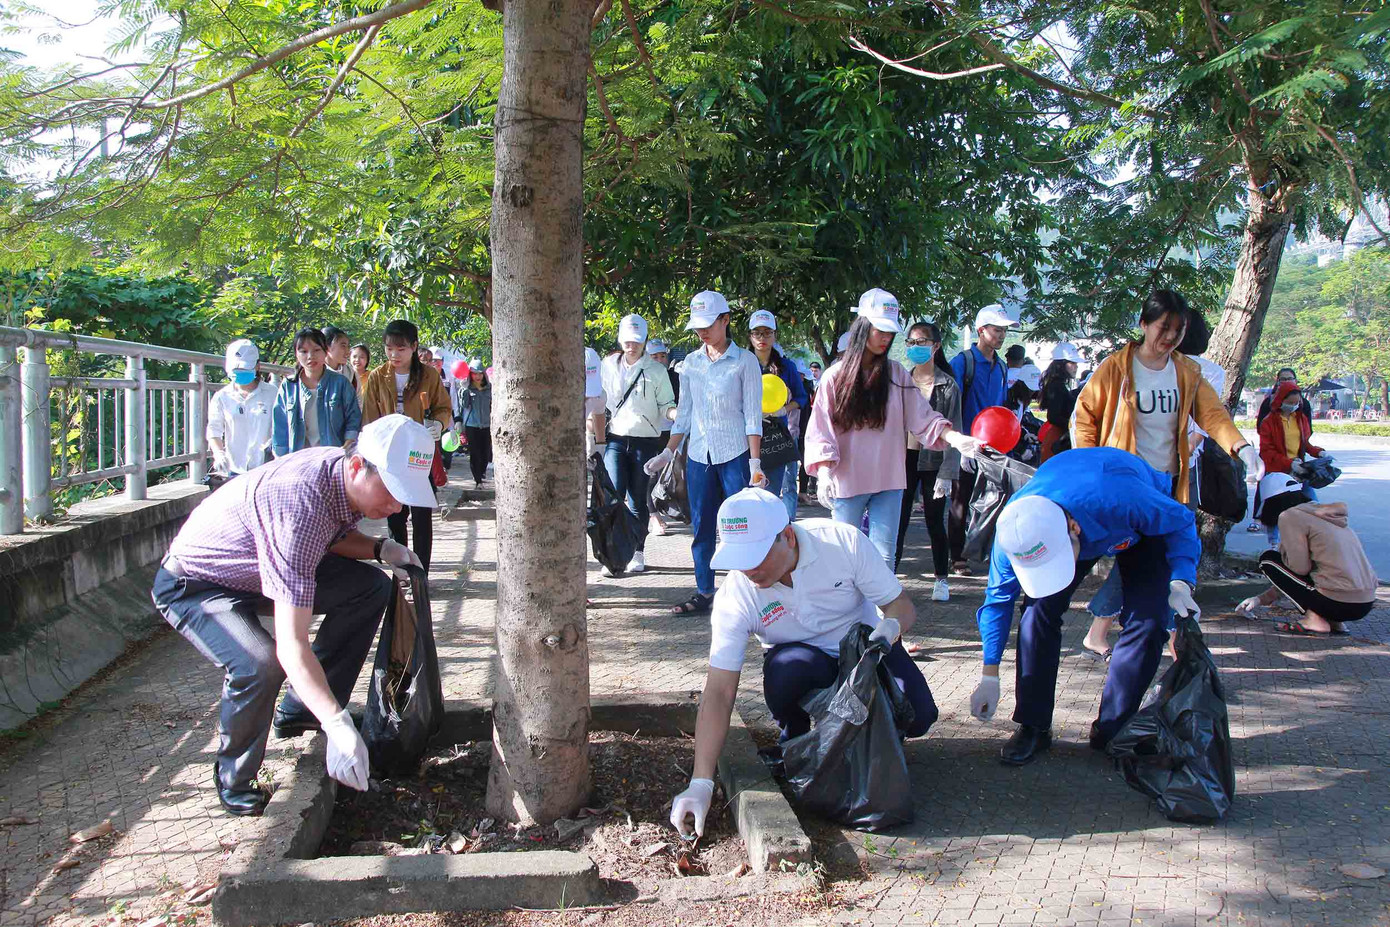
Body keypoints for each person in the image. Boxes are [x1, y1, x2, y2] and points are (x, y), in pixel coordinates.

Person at [151, 414, 434, 815]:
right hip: (200, 584)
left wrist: (380, 549)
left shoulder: (338, 477)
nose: (395, 505)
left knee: (370, 588)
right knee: (259, 662)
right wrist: (338, 725)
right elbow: (292, 644)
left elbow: (332, 537)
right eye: (390, 490)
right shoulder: (299, 503)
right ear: (357, 466)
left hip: (258, 570)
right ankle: (235, 777)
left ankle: (301, 709)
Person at [668, 488, 936, 837]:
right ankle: (794, 739)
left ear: (789, 537)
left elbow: (901, 605)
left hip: (865, 649)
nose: (749, 569)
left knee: (920, 714)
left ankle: (874, 739)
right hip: (801, 662)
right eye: (740, 557)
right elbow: (719, 690)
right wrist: (701, 782)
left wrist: (890, 627)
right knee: (786, 670)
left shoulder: (843, 543)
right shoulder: (737, 594)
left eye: (757, 555)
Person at [967, 447, 1204, 765]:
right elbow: (997, 602)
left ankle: (1114, 728)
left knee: (1149, 623)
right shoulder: (1016, 531)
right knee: (1037, 612)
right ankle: (1033, 725)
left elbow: (1180, 522)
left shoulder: (1124, 498)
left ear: (1074, 531)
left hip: (1135, 524)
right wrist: (990, 673)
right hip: (1070, 508)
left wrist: (1181, 579)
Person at [1072, 291, 1259, 658]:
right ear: (1144, 324)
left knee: (1162, 556)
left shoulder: (1187, 371)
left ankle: (1165, 641)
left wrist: (1242, 448)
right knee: (1135, 556)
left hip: (1169, 484)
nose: (1171, 336)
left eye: (1179, 328)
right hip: (1124, 485)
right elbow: (1085, 417)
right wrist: (1090, 468)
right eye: (1164, 327)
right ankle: (1045, 605)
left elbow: (1213, 415)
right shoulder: (1116, 368)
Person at [806, 290, 982, 567]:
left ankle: (882, 611)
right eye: (880, 330)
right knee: (843, 555)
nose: (886, 338)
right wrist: (825, 473)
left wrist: (956, 438)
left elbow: (922, 416)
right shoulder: (834, 377)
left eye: (890, 332)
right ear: (863, 326)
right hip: (848, 479)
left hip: (889, 479)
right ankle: (847, 610)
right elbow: (821, 429)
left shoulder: (897, 374)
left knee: (883, 557)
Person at [642, 291, 765, 617]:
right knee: (702, 528)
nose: (702, 332)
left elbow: (752, 415)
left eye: (708, 324)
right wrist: (669, 453)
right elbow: (684, 413)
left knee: (740, 527)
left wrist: (755, 463)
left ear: (725, 320)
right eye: (697, 327)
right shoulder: (692, 363)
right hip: (698, 456)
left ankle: (746, 593)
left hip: (736, 454)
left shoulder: (745, 361)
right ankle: (705, 591)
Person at [360, 320, 452, 570]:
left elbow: (444, 407)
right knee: (395, 515)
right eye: (389, 348)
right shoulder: (378, 376)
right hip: (389, 456)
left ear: (413, 347)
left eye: (400, 349)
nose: (394, 354)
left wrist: (439, 425)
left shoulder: (429, 375)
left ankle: (421, 570)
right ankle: (401, 570)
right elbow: (369, 418)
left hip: (418, 453)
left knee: (422, 515)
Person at [1236, 475, 1377, 635]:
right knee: (1321, 571)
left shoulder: (1289, 516)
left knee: (1268, 560)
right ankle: (1335, 622)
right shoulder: (1325, 515)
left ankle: (1314, 620)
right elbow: (1303, 580)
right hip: (1364, 604)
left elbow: (1299, 570)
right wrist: (1260, 599)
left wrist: (1283, 553)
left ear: (1271, 502)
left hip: (1337, 603)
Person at [599, 314, 676, 576]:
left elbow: (666, 405)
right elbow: (598, 400)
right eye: (627, 341)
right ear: (621, 340)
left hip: (646, 441)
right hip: (616, 439)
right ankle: (611, 554)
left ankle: (637, 551)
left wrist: (674, 414)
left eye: (637, 341)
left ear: (644, 341)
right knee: (613, 495)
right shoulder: (608, 365)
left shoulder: (656, 370)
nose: (632, 346)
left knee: (637, 500)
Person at [892, 321, 962, 602]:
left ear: (935, 346)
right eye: (911, 342)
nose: (916, 348)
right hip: (902, 458)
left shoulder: (947, 385)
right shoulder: (900, 380)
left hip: (933, 460)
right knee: (898, 519)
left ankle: (941, 579)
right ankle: (888, 577)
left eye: (922, 342)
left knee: (935, 521)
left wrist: (947, 472)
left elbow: (954, 427)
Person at [947, 305, 1018, 575]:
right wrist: (959, 443)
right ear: (981, 331)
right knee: (960, 500)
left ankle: (986, 551)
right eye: (997, 330)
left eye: (1004, 331)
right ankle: (957, 557)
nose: (1001, 335)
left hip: (993, 447)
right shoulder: (963, 362)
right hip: (965, 443)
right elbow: (950, 406)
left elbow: (1000, 406)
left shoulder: (1000, 366)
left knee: (994, 498)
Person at [746, 310, 808, 518]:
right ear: (750, 336)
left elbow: (801, 397)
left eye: (767, 332)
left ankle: (774, 539)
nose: (762, 338)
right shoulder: (741, 364)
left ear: (774, 335)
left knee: (771, 493)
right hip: (744, 436)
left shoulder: (786, 367)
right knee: (748, 493)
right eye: (757, 333)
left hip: (775, 437)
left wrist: (784, 409)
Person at [273, 328, 362, 458]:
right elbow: (279, 428)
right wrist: (281, 459)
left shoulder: (341, 383)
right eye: (303, 351)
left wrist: (347, 446)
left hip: (333, 456)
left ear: (325, 351)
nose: (310, 356)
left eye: (316, 350)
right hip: (297, 458)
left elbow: (353, 419)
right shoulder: (288, 386)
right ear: (296, 354)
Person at [208, 340, 277, 477]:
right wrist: (219, 454)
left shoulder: (272, 393)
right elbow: (214, 429)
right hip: (235, 468)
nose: (240, 373)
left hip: (266, 468)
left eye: (245, 369)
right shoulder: (222, 396)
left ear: (257, 366)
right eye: (236, 370)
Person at [644, 338, 680, 537]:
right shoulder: (643, 378)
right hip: (648, 432)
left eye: (662, 356)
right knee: (650, 474)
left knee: (671, 474)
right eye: (654, 356)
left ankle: (671, 509)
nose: (659, 360)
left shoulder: (675, 377)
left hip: (672, 432)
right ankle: (653, 515)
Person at [1037, 343, 1081, 461]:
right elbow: (1053, 416)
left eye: (1076, 363)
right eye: (1072, 363)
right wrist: (1075, 426)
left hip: (1058, 438)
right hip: (1057, 440)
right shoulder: (1056, 385)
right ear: (1061, 365)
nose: (1075, 367)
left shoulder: (1058, 384)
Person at [457, 366, 493, 488]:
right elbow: (464, 405)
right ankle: (478, 480)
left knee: (485, 453)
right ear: (470, 375)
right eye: (474, 374)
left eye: (480, 373)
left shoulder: (489, 388)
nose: (478, 376)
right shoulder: (467, 389)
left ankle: (481, 473)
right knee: (475, 453)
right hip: (472, 425)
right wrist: (463, 390)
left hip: (487, 425)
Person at [322, 326, 358, 392]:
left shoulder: (352, 375)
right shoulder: (315, 373)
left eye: (348, 346)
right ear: (327, 347)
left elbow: (358, 401)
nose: (348, 351)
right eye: (343, 346)